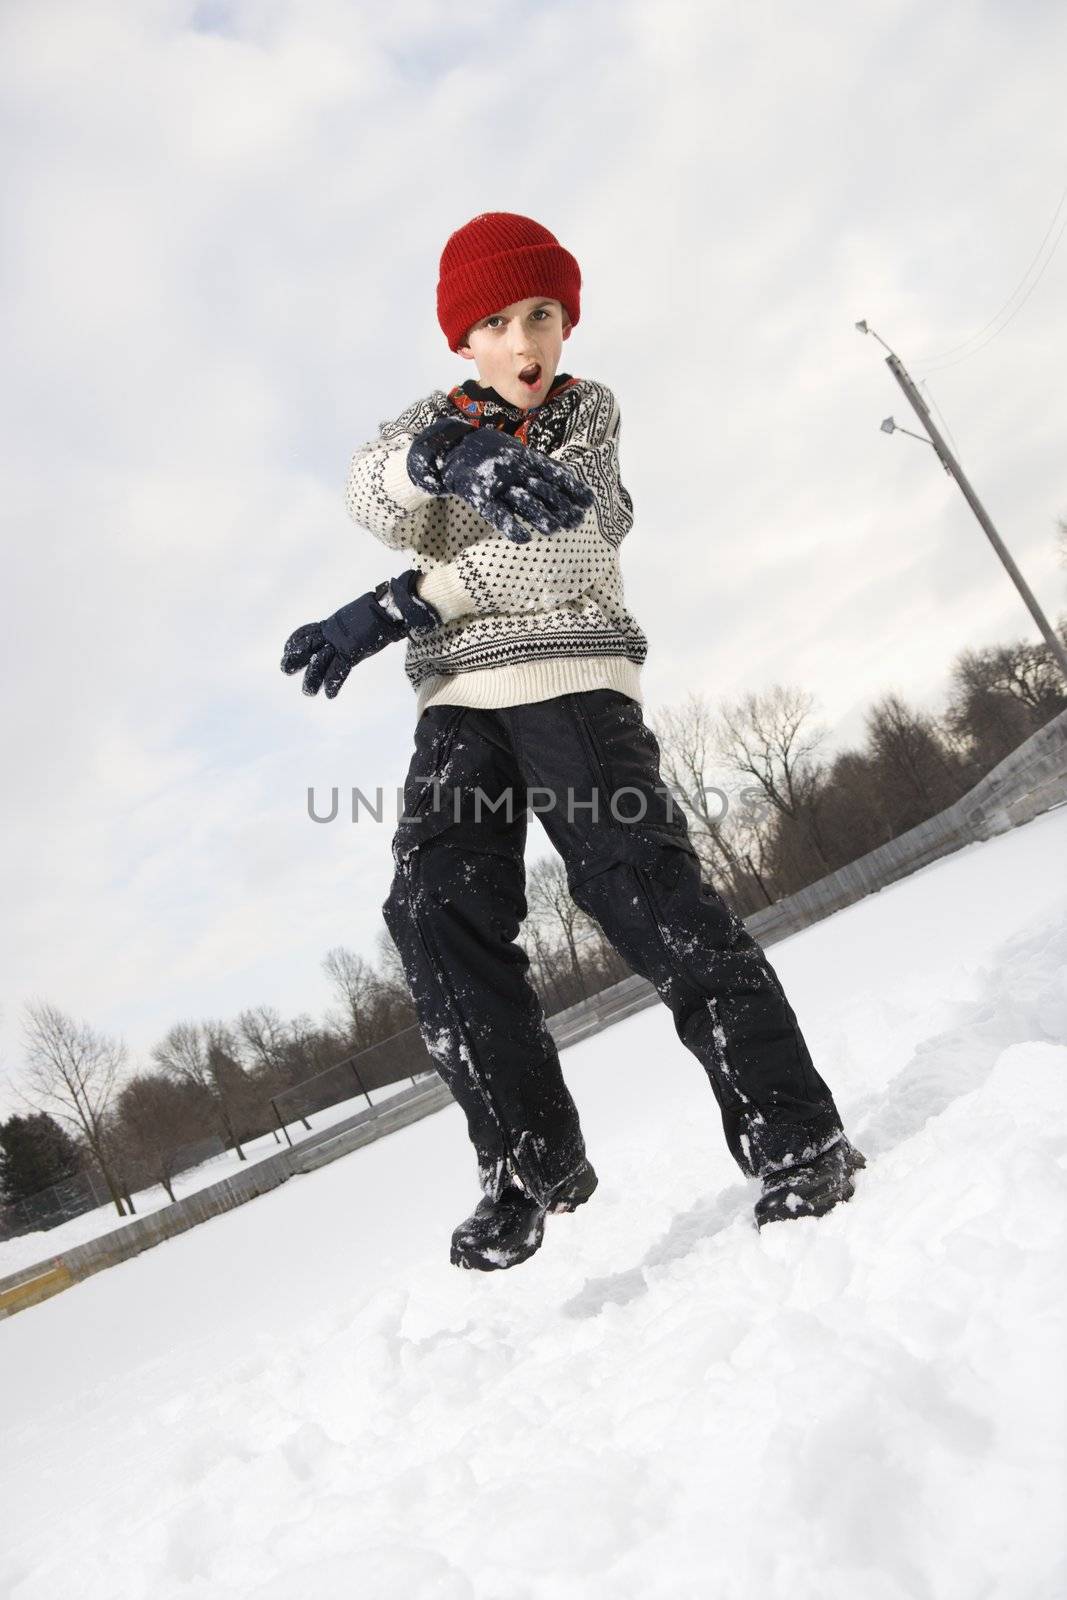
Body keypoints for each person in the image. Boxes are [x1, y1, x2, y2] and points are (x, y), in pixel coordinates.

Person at [281, 211, 864, 1272]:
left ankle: (795, 1134)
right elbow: (369, 488)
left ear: (567, 322)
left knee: (638, 891)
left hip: (570, 680)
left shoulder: (584, 419)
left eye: (541, 316)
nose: (522, 343)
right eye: (496, 323)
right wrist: (445, 458)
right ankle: (525, 1162)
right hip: (457, 702)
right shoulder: (430, 422)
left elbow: (555, 551)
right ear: (463, 339)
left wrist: (398, 605)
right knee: (433, 910)